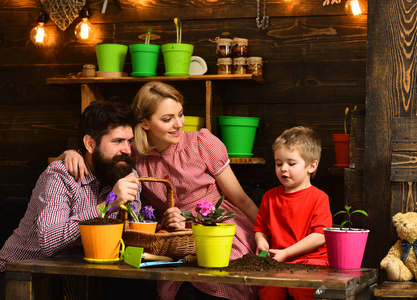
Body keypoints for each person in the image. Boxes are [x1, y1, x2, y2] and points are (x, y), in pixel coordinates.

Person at [58, 81, 259, 300]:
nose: (179, 124)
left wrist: (269, 235)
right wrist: (68, 153)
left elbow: (240, 198)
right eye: (167, 119)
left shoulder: (201, 143)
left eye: (180, 114)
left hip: (216, 228)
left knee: (217, 283)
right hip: (171, 235)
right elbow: (93, 153)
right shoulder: (132, 152)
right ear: (144, 122)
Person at [0, 100, 142, 274]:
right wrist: (106, 207)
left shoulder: (126, 175)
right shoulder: (61, 174)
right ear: (90, 143)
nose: (127, 150)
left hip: (75, 275)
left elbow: (133, 237)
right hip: (19, 274)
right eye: (118, 141)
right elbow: (48, 243)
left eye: (129, 141)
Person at [253, 126, 332, 300]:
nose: (283, 169)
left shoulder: (319, 198)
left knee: (302, 288)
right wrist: (262, 244)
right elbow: (261, 229)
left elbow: (320, 236)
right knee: (267, 289)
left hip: (310, 261)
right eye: (279, 163)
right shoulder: (269, 197)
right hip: (276, 259)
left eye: (291, 163)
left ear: (311, 166)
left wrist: (287, 253)